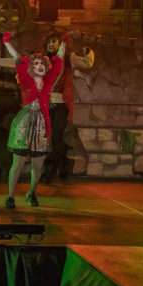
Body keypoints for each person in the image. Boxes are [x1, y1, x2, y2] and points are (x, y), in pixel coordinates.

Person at [1, 31, 64, 209]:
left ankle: (32, 192)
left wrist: (64, 43)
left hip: (42, 124)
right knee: (18, 162)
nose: (40, 65)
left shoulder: (49, 80)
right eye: (36, 63)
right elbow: (18, 59)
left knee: (38, 164)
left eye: (42, 63)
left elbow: (59, 61)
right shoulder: (25, 80)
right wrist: (6, 42)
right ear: (31, 68)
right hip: (25, 121)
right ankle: (10, 196)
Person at [41, 29, 94, 182]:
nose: (51, 44)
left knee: (56, 137)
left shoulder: (68, 58)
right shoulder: (43, 60)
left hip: (61, 104)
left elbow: (87, 63)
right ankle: (64, 160)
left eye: (54, 41)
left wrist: (88, 52)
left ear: (60, 44)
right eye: (49, 42)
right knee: (52, 138)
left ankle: (52, 171)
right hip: (47, 105)